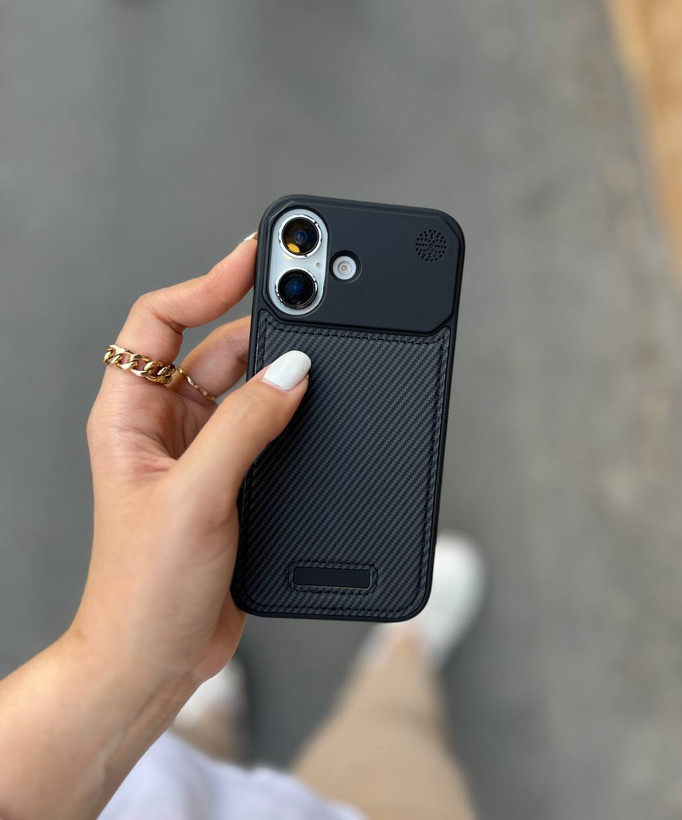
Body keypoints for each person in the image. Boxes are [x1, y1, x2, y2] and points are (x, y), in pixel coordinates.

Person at [0, 234, 484, 820]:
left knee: (179, 742)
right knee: (392, 733)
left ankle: (185, 690)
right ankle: (400, 654)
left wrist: (130, 663)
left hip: (122, 772)